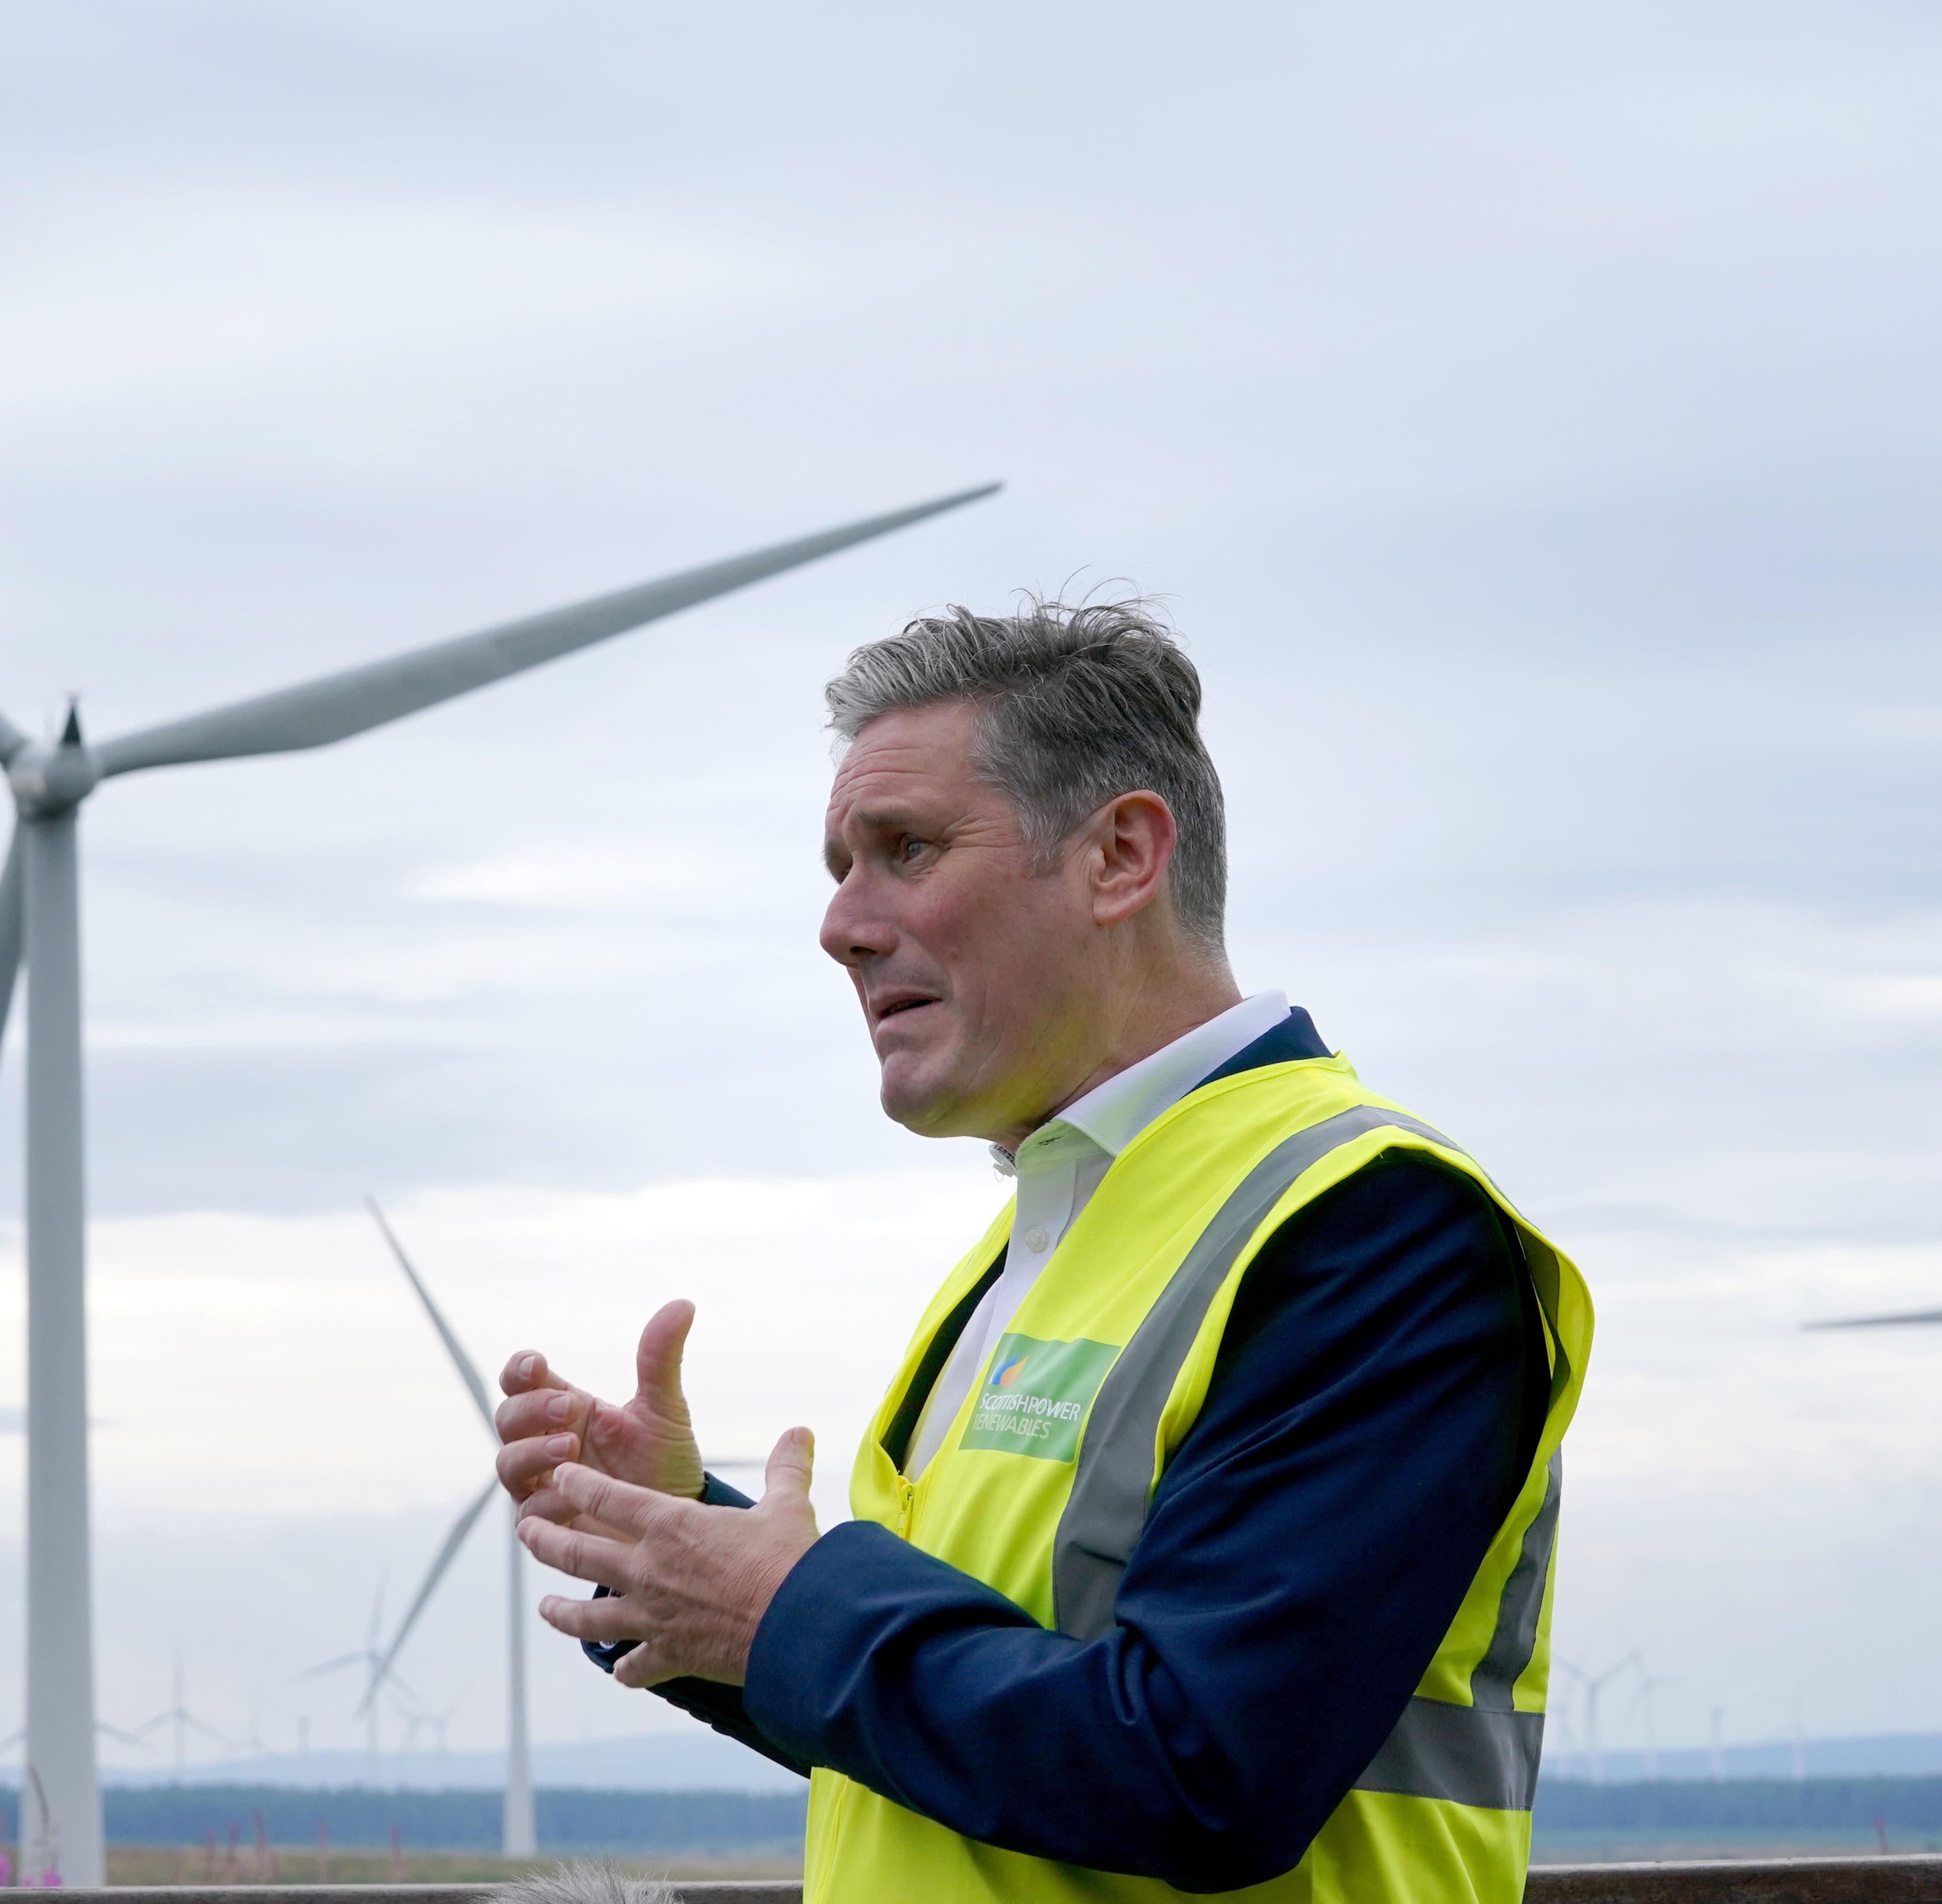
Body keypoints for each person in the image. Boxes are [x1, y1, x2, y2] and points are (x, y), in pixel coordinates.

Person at [493, 600, 1593, 1903]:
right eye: (838, 865)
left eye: (904, 848)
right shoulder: (1041, 1239)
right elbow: (979, 1731)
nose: (841, 924)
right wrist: (689, 1554)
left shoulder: (1371, 1230)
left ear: (1122, 856)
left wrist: (785, 1611)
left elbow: (1201, 1767)